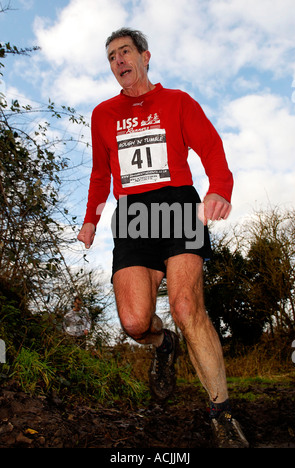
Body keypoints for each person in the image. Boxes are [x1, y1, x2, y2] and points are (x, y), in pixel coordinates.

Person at [77, 28, 249, 448]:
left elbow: (211, 147)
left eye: (125, 52)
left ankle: (221, 413)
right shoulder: (102, 115)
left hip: (178, 205)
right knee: (135, 322)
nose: (119, 61)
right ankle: (163, 341)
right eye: (112, 57)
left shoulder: (177, 102)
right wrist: (92, 219)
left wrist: (220, 189)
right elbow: (102, 174)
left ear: (145, 56)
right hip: (133, 213)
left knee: (187, 305)